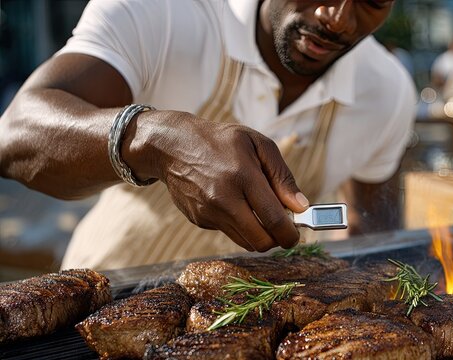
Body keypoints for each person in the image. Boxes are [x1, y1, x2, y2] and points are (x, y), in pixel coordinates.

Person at [0, 0, 415, 270]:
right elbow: (15, 136)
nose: (337, 18)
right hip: (107, 301)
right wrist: (154, 141)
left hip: (258, 332)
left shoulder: (388, 92)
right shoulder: (164, 13)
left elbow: (370, 229)